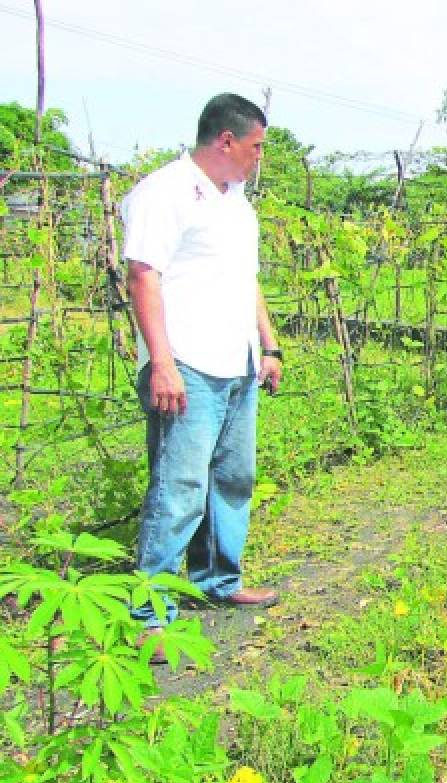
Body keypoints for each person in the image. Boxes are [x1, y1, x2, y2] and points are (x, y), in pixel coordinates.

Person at [122, 93, 282, 645]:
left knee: (233, 479)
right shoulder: (164, 192)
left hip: (237, 363)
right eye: (257, 146)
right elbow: (143, 276)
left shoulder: (237, 201)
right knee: (178, 488)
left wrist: (269, 345)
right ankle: (150, 616)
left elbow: (247, 280)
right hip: (186, 363)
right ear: (227, 140)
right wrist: (161, 364)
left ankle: (218, 580)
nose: (260, 157)